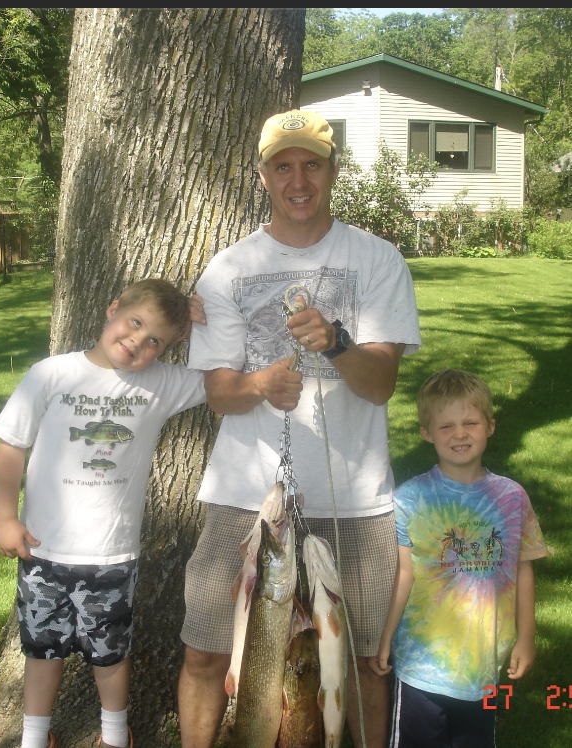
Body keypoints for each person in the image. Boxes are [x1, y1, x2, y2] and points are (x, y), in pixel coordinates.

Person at [178, 109, 422, 748]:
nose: (298, 180)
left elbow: (381, 384)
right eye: (283, 166)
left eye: (311, 164)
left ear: (333, 170)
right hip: (245, 497)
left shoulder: (377, 259)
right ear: (262, 175)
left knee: (363, 662)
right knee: (207, 651)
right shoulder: (227, 268)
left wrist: (339, 343)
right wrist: (258, 385)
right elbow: (218, 394)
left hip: (359, 499)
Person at [0, 279, 206, 748]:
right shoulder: (52, 374)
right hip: (41, 549)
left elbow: (225, 377)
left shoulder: (162, 383)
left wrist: (214, 324)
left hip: (112, 554)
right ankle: (34, 735)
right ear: (112, 309)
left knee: (109, 652)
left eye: (156, 341)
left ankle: (114, 733)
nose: (138, 342)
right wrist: (5, 517)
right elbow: (11, 448)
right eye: (134, 323)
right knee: (41, 647)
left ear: (167, 351)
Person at [373, 369, 548, 748]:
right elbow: (405, 574)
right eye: (446, 425)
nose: (460, 433)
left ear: (490, 426)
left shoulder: (512, 498)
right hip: (420, 665)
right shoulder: (409, 499)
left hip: (483, 666)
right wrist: (385, 638)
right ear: (426, 432)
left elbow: (523, 568)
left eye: (470, 422)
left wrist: (526, 637)